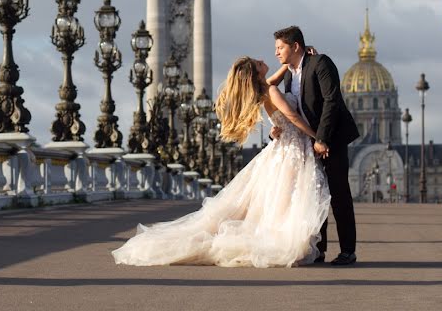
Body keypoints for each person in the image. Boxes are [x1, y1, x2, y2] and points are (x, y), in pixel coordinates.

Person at [111, 56, 330, 267]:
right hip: (291, 147)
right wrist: (316, 137)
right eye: (258, 63)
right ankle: (284, 240)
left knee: (282, 198)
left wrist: (287, 65)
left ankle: (284, 237)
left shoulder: (265, 89)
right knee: (289, 197)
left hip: (284, 148)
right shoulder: (270, 90)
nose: (264, 60)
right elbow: (292, 116)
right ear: (255, 73)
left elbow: (272, 82)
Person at [273, 25, 360, 266]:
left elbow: (332, 101)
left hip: (331, 139)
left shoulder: (321, 63)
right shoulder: (290, 73)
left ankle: (347, 251)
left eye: (280, 48)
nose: (277, 53)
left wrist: (322, 139)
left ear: (295, 46)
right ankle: (318, 249)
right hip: (308, 142)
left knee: (339, 194)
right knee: (315, 193)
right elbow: (293, 110)